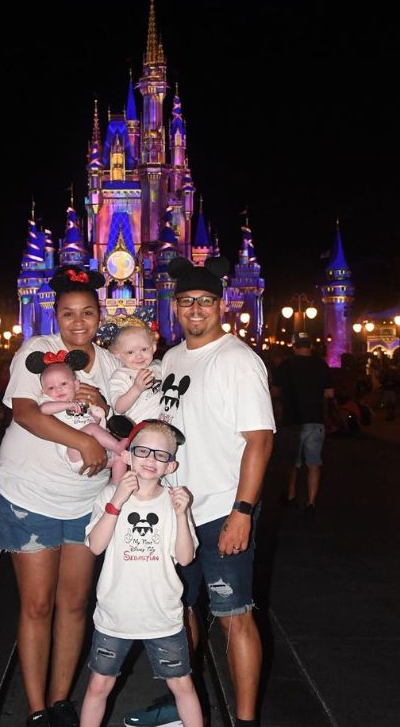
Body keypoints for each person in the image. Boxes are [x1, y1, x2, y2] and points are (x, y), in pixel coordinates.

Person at [125, 257, 275, 727]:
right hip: (177, 512)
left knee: (234, 616)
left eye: (205, 302)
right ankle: (183, 703)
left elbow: (260, 440)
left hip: (221, 509)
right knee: (181, 611)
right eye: (186, 301)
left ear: (222, 305)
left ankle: (245, 720)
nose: (195, 310)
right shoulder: (170, 358)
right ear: (174, 307)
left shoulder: (238, 360)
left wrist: (243, 511)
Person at [0, 265, 121, 727]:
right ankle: (37, 708)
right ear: (55, 314)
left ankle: (62, 697)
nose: (79, 322)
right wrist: (84, 442)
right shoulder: (39, 352)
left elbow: (125, 416)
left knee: (74, 602)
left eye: (88, 312)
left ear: (99, 313)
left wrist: (104, 409)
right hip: (30, 493)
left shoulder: (109, 363)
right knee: (38, 604)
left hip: (85, 500)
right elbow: (26, 413)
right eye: (69, 313)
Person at [80, 421, 202, 727]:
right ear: (127, 456)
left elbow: (186, 557)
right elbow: (95, 546)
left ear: (171, 465)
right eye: (143, 451)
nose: (150, 459)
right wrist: (117, 501)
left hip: (162, 615)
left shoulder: (175, 500)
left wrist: (181, 514)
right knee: (98, 685)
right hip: (114, 614)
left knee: (182, 685)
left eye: (161, 455)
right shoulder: (109, 494)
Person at [31, 353, 128, 482]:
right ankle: (117, 446)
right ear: (44, 392)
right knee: (93, 429)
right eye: (51, 388)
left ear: (76, 385)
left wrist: (96, 419)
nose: (58, 389)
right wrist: (67, 405)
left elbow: (90, 424)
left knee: (119, 459)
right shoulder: (51, 404)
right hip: (73, 452)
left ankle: (118, 489)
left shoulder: (82, 405)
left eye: (64, 384)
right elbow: (43, 409)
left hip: (97, 452)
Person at [271, 330, 334, 519]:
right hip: (315, 420)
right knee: (314, 463)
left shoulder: (286, 366)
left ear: (294, 345)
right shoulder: (322, 365)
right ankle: (311, 502)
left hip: (293, 420)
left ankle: (291, 496)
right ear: (310, 346)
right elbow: (330, 393)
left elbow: (275, 392)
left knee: (292, 464)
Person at [108, 323, 162, 423]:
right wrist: (136, 389)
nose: (139, 356)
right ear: (118, 354)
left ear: (153, 347)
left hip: (165, 424)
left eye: (144, 349)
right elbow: (118, 407)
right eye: (130, 352)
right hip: (140, 427)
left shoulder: (159, 367)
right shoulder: (120, 376)